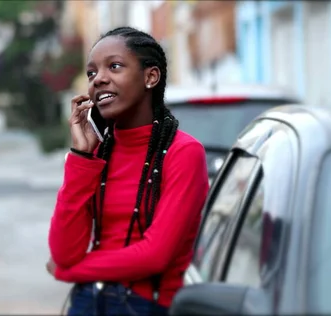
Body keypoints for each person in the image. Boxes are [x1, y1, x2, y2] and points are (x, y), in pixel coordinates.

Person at [46, 26, 209, 316]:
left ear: (151, 76)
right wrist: (81, 156)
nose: (99, 80)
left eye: (115, 66)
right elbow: (64, 252)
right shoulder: (98, 151)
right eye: (92, 73)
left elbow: (155, 256)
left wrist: (72, 272)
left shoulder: (182, 153)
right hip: (86, 301)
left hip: (144, 306)